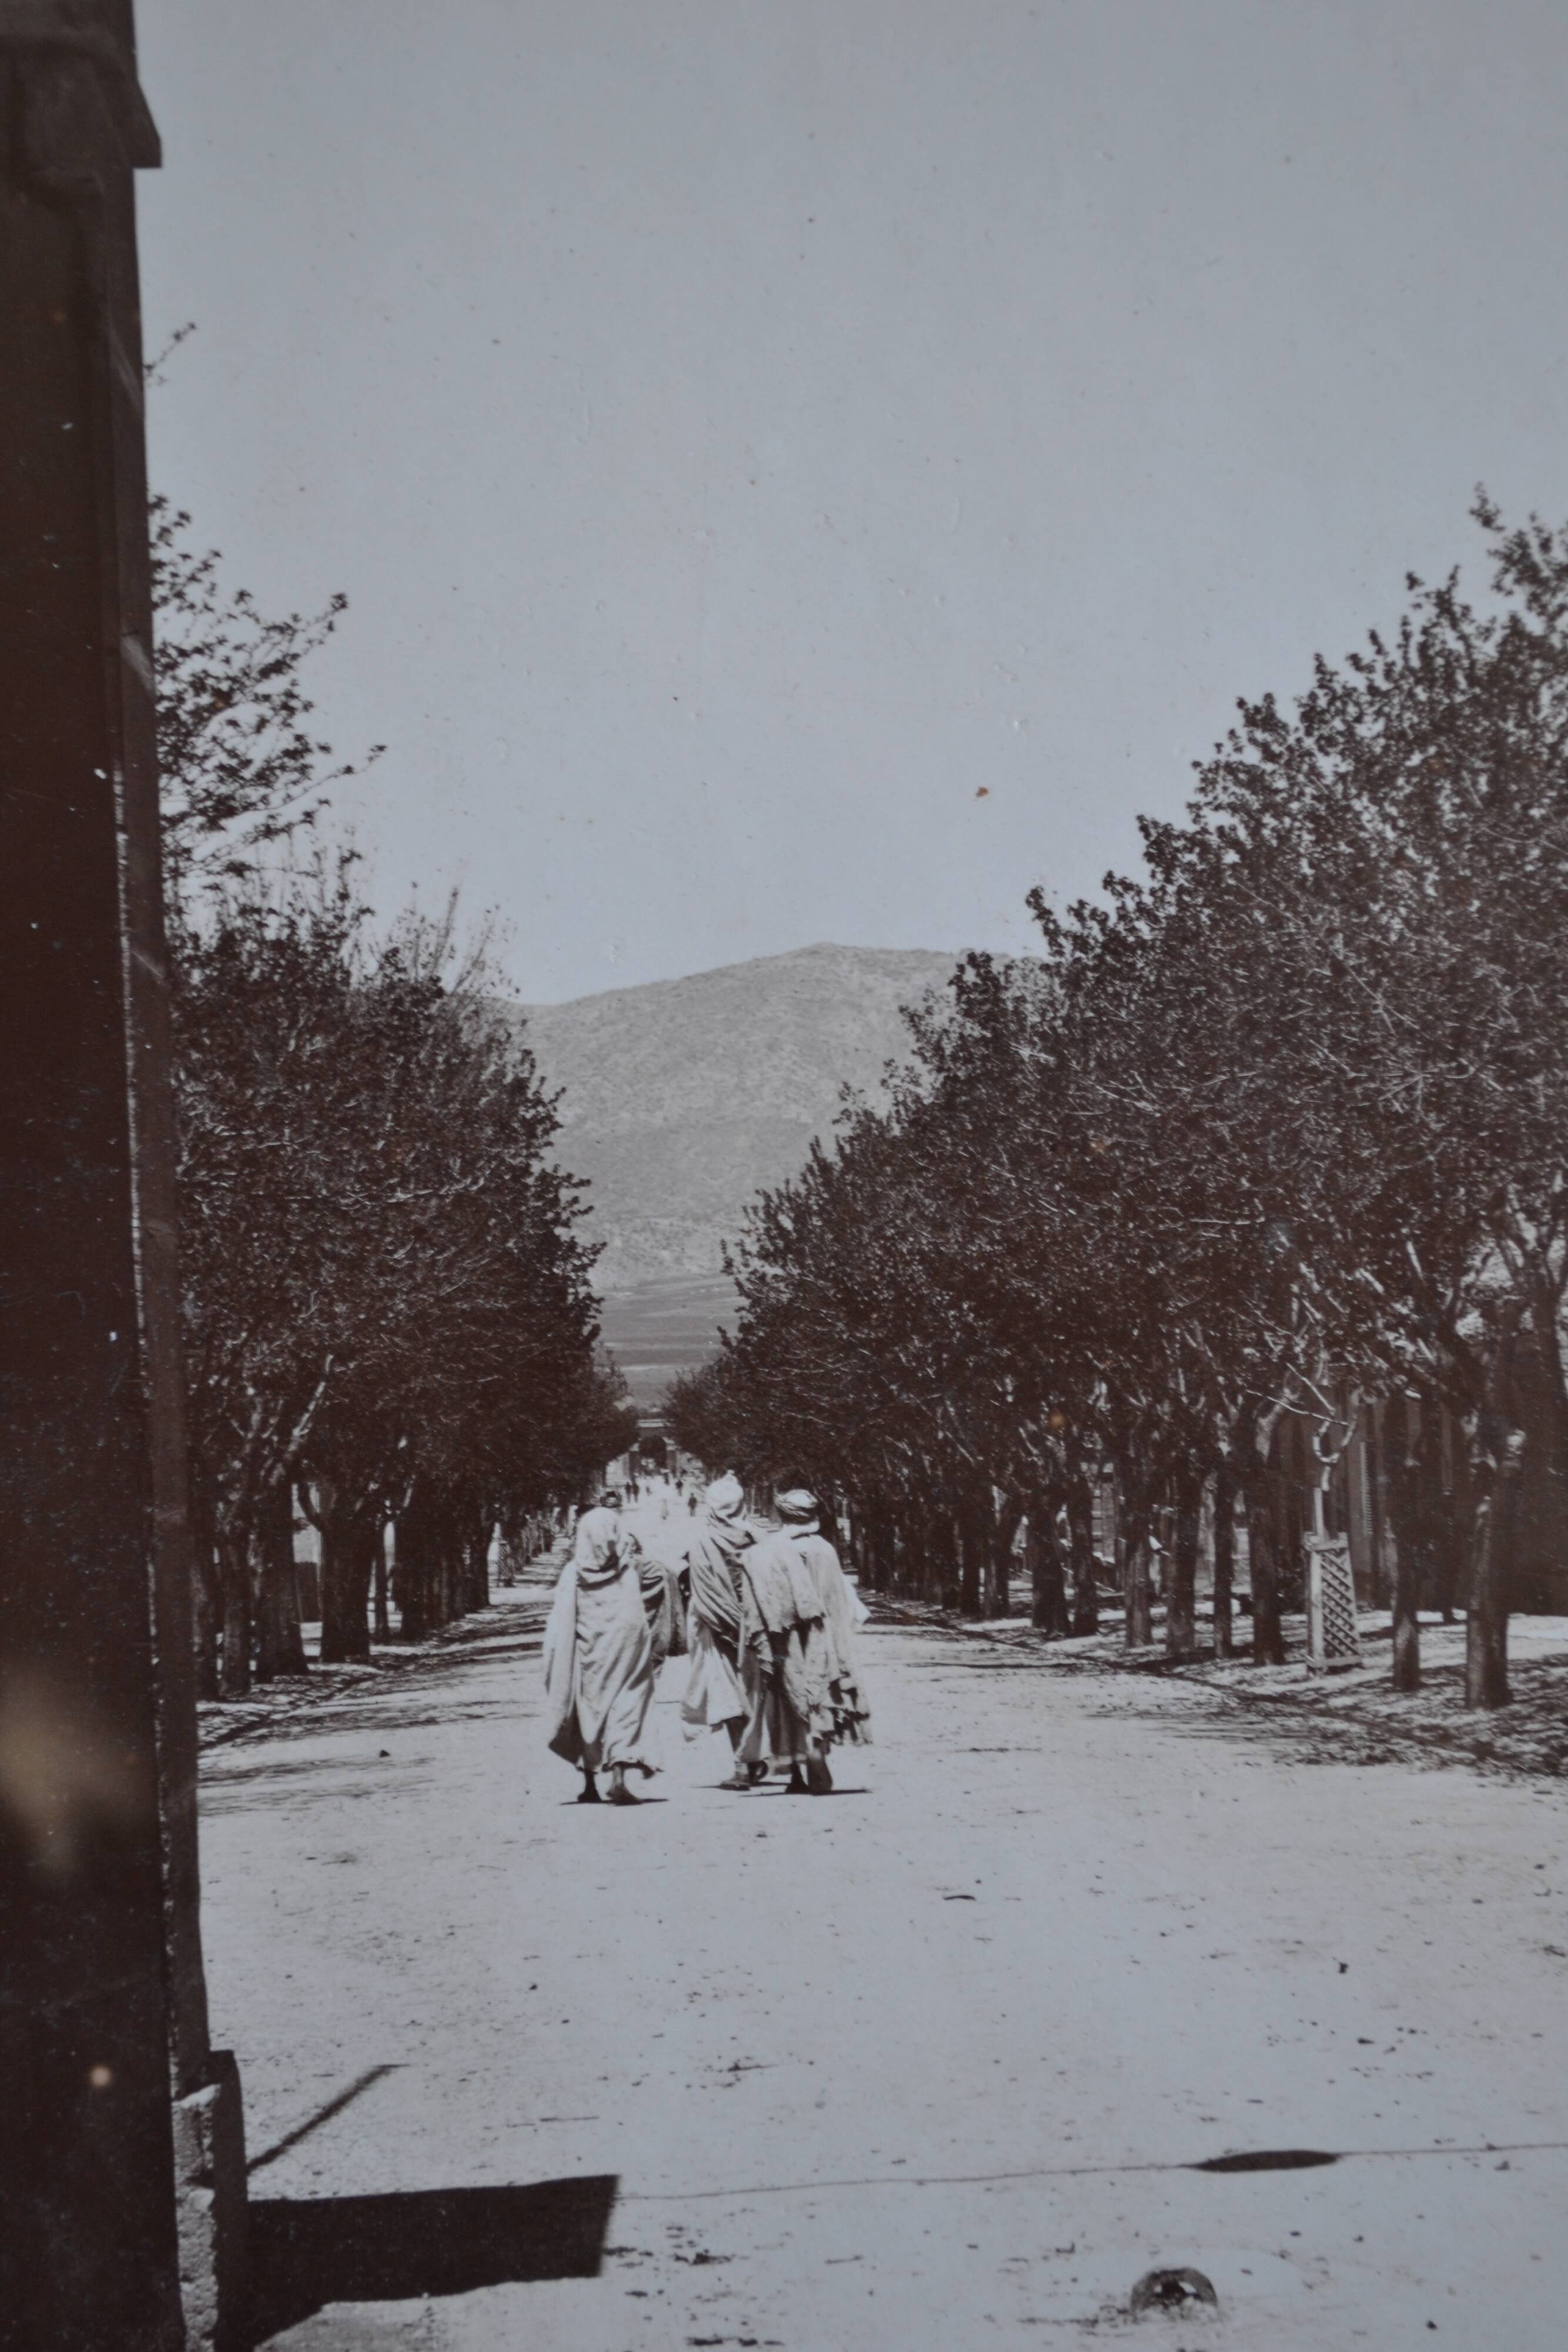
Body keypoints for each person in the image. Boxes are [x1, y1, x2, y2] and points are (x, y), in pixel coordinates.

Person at [738, 1486, 871, 1794]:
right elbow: (837, 1598)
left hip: (783, 1638)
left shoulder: (766, 1551)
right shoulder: (825, 1549)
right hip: (822, 1634)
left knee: (786, 1698)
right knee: (822, 1691)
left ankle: (797, 1773)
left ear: (782, 1514)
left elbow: (757, 1604)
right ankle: (817, 1752)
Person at [541, 1496, 659, 1805]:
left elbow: (562, 1622)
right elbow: (636, 1623)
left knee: (587, 1714)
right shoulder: (627, 1574)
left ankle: (590, 1784)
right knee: (624, 1709)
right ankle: (618, 1778)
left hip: (587, 1660)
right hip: (625, 1663)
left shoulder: (573, 1575)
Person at [680, 1472, 758, 1786]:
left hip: (718, 1628)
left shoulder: (701, 1542)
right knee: (758, 1693)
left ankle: (743, 1765)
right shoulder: (758, 1537)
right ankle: (767, 1757)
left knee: (730, 1694)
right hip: (758, 1628)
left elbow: (699, 1592)